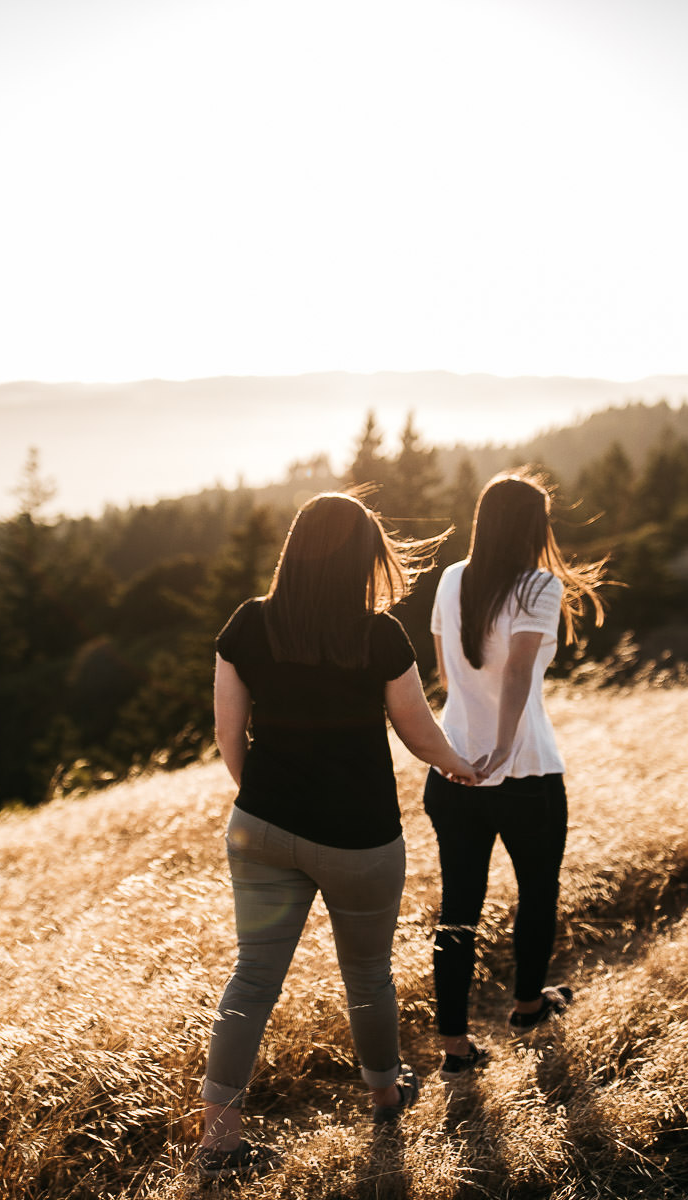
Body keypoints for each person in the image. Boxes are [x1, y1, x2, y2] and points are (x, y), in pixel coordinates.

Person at [197, 492, 484, 1182]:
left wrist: (261, 801)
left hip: (262, 827)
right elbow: (418, 731)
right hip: (360, 840)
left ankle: (219, 1140)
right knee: (367, 974)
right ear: (363, 559)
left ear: (294, 550)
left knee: (253, 977)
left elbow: (228, 737)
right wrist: (458, 764)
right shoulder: (379, 635)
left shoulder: (249, 625)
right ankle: (386, 1094)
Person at [424, 470, 606, 1081]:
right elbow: (520, 671)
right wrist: (502, 747)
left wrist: (471, 742)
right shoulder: (539, 586)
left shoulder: (451, 579)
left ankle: (453, 1045)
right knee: (537, 892)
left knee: (458, 906)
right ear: (534, 527)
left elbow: (450, 672)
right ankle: (528, 1005)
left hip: (453, 770)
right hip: (526, 769)